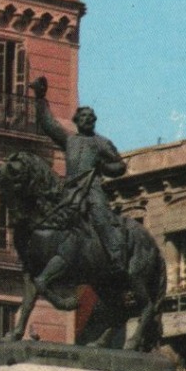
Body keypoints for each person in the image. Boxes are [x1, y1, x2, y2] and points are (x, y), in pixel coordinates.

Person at [31, 77, 131, 276]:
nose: (87, 119)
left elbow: (119, 166)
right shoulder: (70, 141)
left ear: (94, 121)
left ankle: (117, 258)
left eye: (90, 116)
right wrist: (40, 97)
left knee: (101, 218)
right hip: (70, 190)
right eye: (83, 116)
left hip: (92, 189)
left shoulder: (101, 143)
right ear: (76, 121)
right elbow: (48, 124)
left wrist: (103, 167)